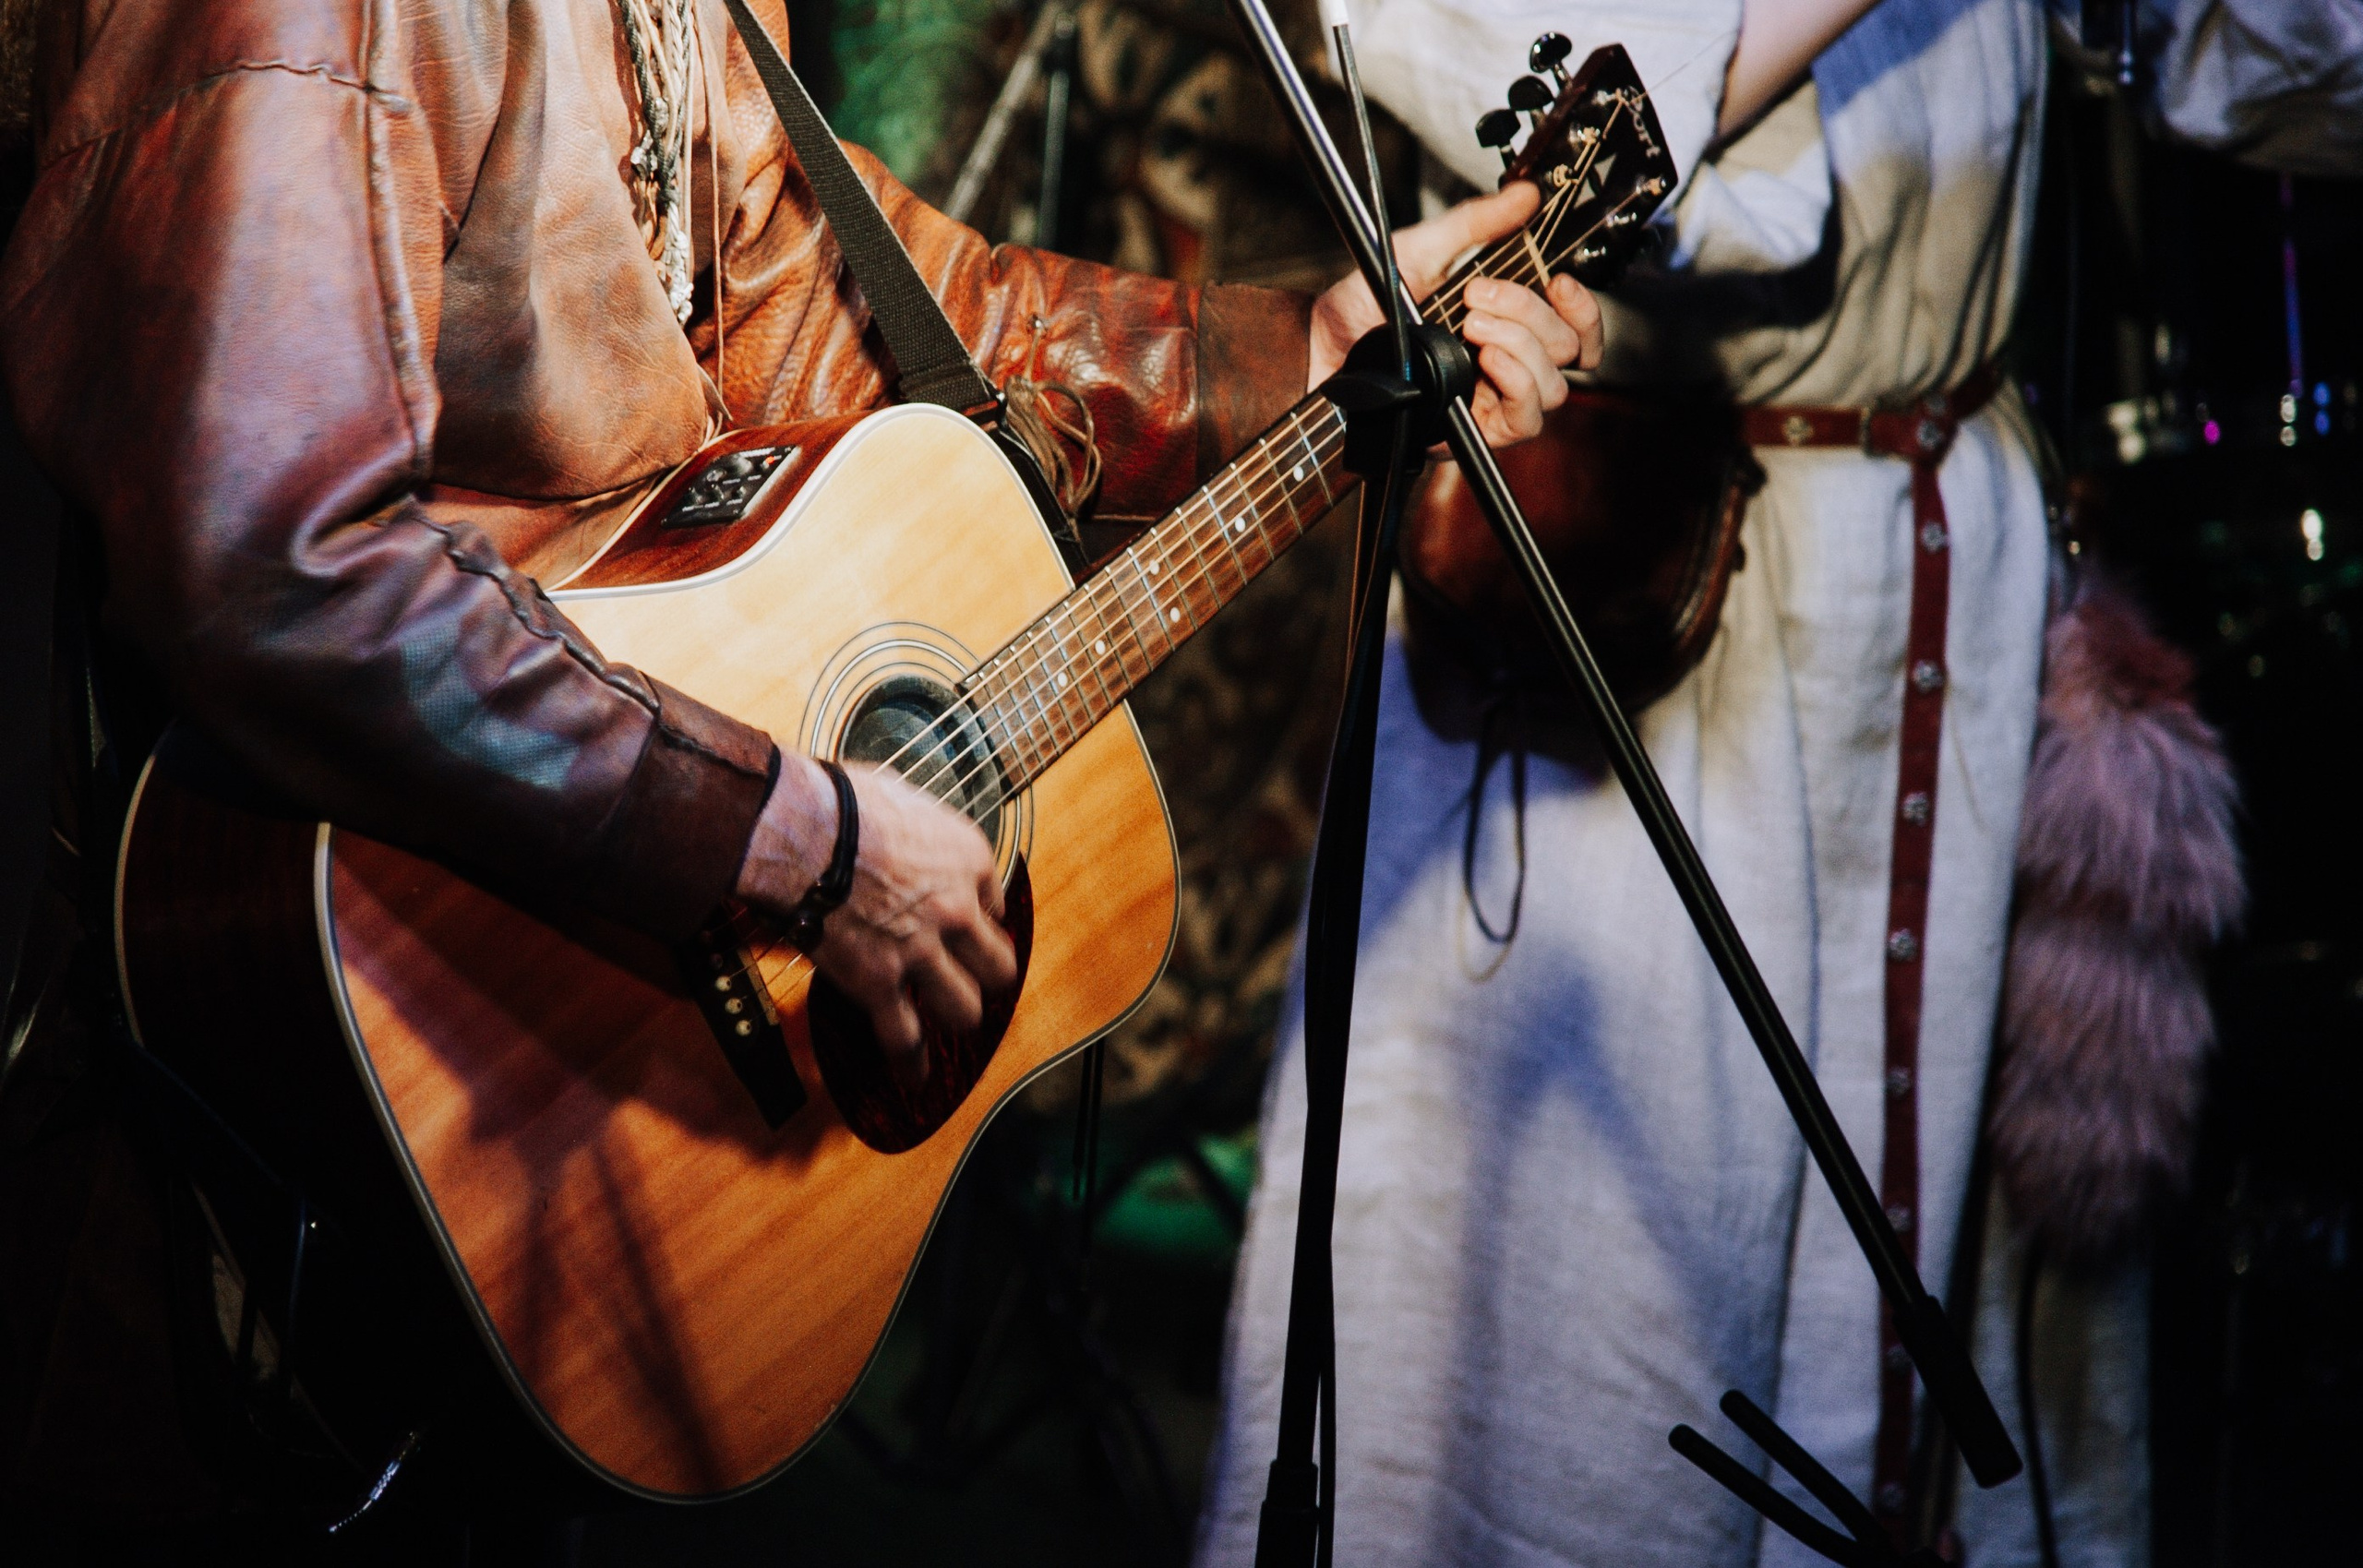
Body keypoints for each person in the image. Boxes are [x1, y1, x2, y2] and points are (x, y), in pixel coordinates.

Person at [0, 0, 1601, 1540]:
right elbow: (283, 570)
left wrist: (1292, 347)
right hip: (250, 1139)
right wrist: (802, 849)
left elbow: (842, 303)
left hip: (556, 1064)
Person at [1199, 0, 2358, 1563]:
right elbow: (1557, 103)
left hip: (1951, 575)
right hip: (1642, 595)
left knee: (1931, 1380)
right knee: (1603, 1366)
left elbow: (2283, 63)